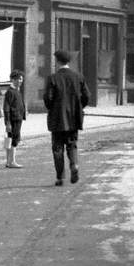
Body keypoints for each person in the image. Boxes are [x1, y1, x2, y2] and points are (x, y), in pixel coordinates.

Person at [44, 49, 89, 186]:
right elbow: (87, 96)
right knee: (72, 145)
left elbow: (48, 98)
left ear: (57, 61)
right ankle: (74, 165)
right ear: (69, 61)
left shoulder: (53, 78)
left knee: (57, 148)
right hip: (73, 119)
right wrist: (79, 108)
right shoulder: (78, 77)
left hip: (57, 119)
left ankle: (60, 177)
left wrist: (52, 108)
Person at [3, 69, 26, 169]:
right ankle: (12, 161)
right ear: (13, 80)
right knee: (14, 139)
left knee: (10, 138)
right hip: (14, 119)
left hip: (17, 117)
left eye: (21, 79)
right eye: (19, 79)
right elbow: (6, 108)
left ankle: (8, 161)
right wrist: (8, 123)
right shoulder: (10, 92)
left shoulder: (16, 91)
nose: (20, 81)